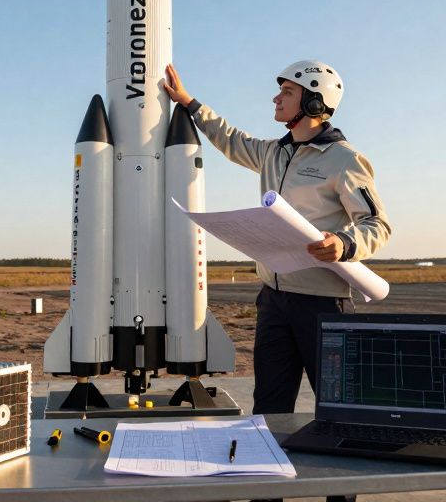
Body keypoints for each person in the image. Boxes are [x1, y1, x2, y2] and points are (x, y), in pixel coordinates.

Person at [162, 60, 392, 414]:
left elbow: (377, 224)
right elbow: (230, 139)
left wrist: (343, 244)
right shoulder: (273, 152)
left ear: (314, 101)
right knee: (269, 405)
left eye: (287, 92)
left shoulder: (345, 160)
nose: (276, 98)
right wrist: (189, 103)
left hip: (323, 305)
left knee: (340, 406)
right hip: (273, 302)